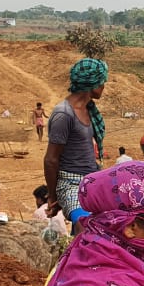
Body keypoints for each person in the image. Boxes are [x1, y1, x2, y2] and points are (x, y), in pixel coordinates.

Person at [45, 58, 108, 224]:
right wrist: (53, 196)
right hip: (70, 183)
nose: (103, 86)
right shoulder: (64, 115)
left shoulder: (88, 109)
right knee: (84, 224)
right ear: (92, 85)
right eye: (102, 82)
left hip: (91, 179)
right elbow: (51, 160)